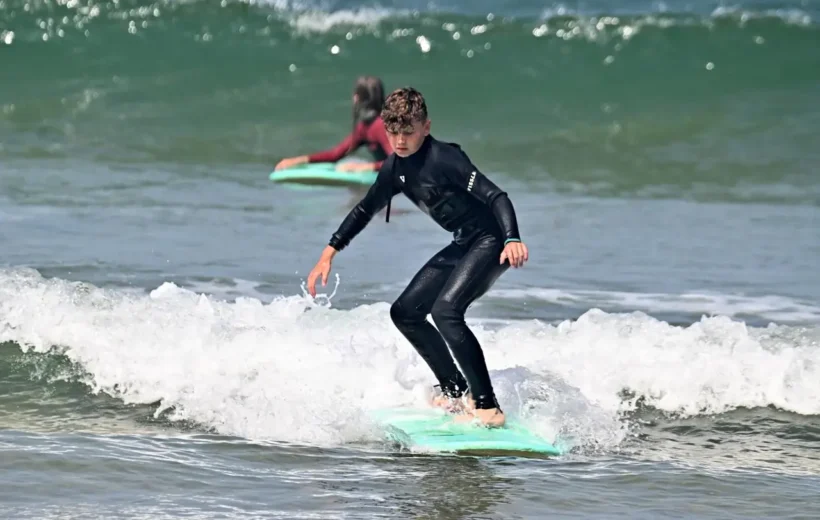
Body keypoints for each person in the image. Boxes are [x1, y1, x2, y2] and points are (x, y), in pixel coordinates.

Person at [306, 87, 529, 428]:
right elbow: (366, 208)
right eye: (393, 132)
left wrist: (512, 237)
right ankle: (455, 390)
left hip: (491, 240)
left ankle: (488, 405)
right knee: (405, 313)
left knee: (446, 311)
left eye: (408, 131)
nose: (399, 140)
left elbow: (496, 196)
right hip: (464, 241)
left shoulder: (445, 159)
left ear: (426, 127)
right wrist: (329, 252)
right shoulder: (395, 168)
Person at [274, 76, 393, 173]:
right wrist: (299, 160)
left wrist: (366, 167)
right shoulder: (365, 127)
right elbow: (335, 155)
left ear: (357, 98)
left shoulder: (380, 125)